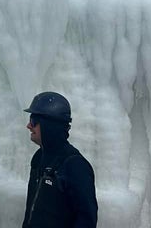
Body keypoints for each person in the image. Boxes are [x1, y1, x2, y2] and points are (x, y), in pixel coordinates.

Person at [22, 91, 98, 228]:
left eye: (33, 121)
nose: (29, 126)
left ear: (49, 125)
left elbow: (87, 220)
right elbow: (31, 212)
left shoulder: (75, 165)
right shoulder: (38, 158)